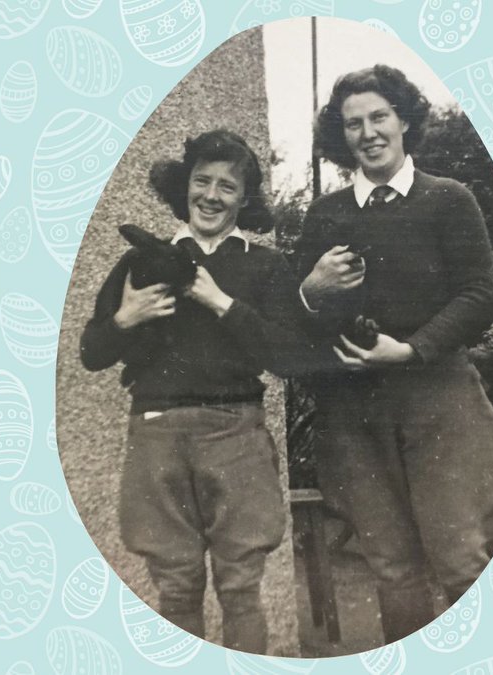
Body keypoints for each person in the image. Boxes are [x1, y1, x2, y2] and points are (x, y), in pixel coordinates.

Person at [295, 64, 493, 643]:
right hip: (354, 418)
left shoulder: (449, 200)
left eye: (378, 117)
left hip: (440, 404)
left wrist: (411, 349)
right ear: (339, 137)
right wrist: (310, 292)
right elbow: (292, 325)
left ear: (404, 121)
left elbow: (479, 296)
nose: (367, 132)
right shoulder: (326, 216)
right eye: (352, 124)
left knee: (462, 561)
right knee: (392, 570)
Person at [80, 129, 315, 654]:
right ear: (182, 188)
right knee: (177, 587)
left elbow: (289, 356)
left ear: (244, 198)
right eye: (201, 181)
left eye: (227, 186)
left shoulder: (266, 265)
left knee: (240, 589)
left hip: (237, 434)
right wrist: (126, 317)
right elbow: (92, 353)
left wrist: (220, 302)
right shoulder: (141, 262)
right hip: (157, 435)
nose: (211, 195)